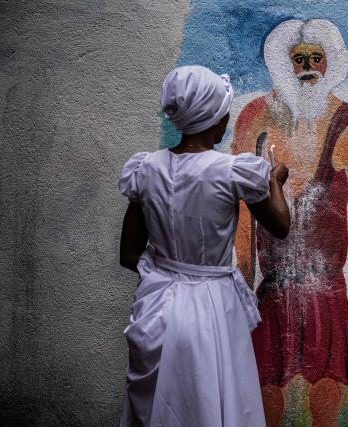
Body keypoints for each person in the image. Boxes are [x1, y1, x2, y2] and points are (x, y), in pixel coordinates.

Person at [118, 65, 290, 426]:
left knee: (163, 407)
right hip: (215, 307)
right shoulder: (232, 171)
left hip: (158, 306)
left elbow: (130, 254)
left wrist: (166, 274)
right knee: (217, 397)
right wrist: (274, 181)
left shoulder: (145, 170)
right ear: (216, 121)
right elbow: (281, 225)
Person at [231, 19, 348, 426]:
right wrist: (243, 264)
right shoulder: (255, 120)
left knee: (327, 381)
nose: (307, 68)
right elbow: (241, 201)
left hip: (326, 279)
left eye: (316, 58)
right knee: (265, 380)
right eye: (298, 60)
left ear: (331, 63)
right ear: (282, 63)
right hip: (273, 282)